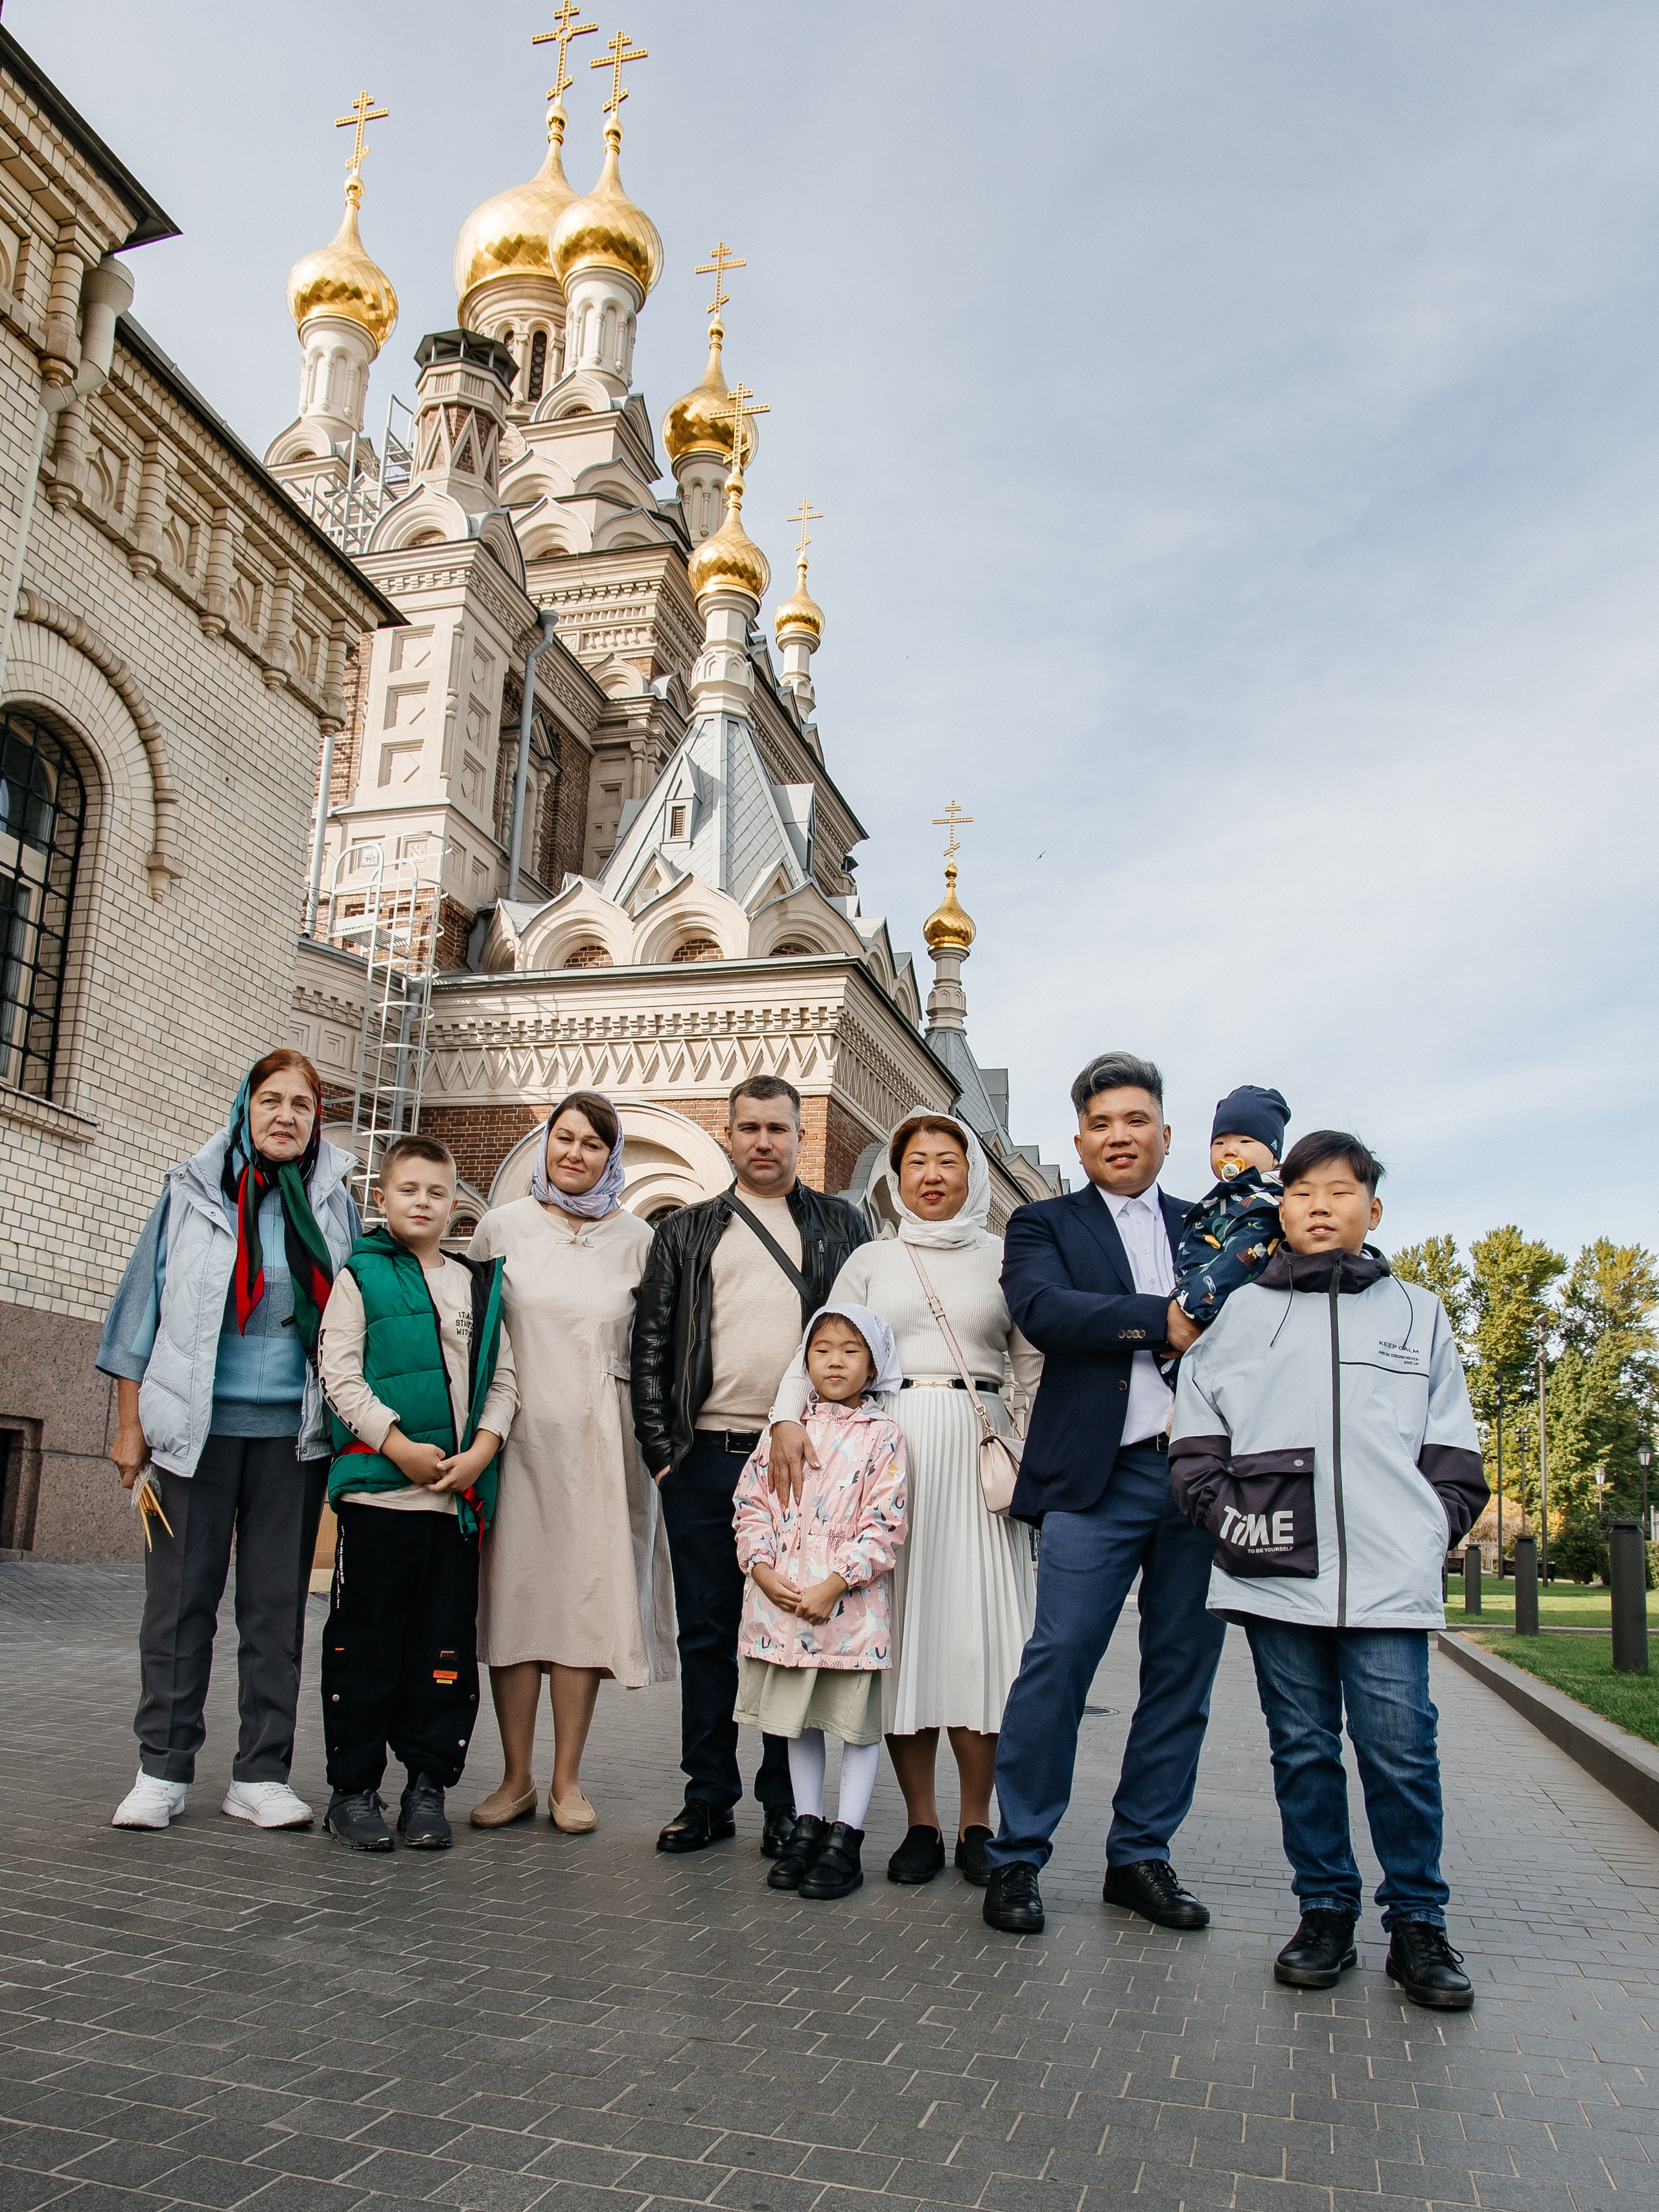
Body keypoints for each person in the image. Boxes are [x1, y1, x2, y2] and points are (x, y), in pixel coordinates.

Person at [1170, 1131, 1486, 2009]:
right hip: (1277, 1575)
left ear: (1371, 1210)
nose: (1318, 1204)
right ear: (1282, 1206)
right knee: (1303, 1752)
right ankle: (1325, 1912)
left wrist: (1431, 1531)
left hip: (1389, 1585)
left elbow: (1454, 1447)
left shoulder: (1420, 1313)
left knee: (1400, 1755)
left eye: (1339, 1191)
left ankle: (1418, 1923)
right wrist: (1230, 1521)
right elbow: (1195, 1444)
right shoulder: (1241, 1314)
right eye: (1302, 1190)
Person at [981, 1051, 1225, 1938]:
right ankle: (1017, 1856)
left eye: (1136, 1120)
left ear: (1165, 1134)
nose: (1119, 1136)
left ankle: (1140, 1856)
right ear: (1080, 1140)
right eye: (1101, 1123)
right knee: (1059, 1660)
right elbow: (1044, 1311)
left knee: (1183, 1672)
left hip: (1200, 1477)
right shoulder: (1043, 1223)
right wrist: (1161, 1318)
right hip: (1097, 1474)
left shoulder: (1213, 1223)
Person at [767, 1112, 1043, 1887]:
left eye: (946, 1160)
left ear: (970, 1172)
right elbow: (816, 1342)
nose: (930, 1173)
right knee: (902, 1638)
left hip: (980, 1448)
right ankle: (920, 1821)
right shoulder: (870, 1258)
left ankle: (976, 1821)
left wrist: (1043, 1461)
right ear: (895, 1174)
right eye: (915, 1160)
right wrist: (787, 1418)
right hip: (883, 1452)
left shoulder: (1003, 1253)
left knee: (981, 1642)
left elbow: (1030, 1367)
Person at [97, 1050, 359, 1833]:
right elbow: (137, 1312)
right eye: (271, 1101)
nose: (286, 1116)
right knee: (178, 1605)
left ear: (317, 1120)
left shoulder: (336, 1205)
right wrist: (129, 1423)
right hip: (192, 1435)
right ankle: (162, 1769)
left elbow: (352, 1318)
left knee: (277, 1608)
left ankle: (261, 1774)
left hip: (293, 1439)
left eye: (302, 1105)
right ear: (246, 1107)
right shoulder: (189, 1193)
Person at [631, 1075, 870, 1857]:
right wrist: (664, 1457)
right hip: (704, 1455)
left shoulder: (841, 1223)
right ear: (728, 1135)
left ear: (798, 1135)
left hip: (799, 1458)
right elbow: (651, 1347)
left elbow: (869, 1334)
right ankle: (707, 1796)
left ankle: (783, 1800)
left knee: (782, 1631)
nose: (762, 1140)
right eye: (748, 1127)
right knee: (706, 1633)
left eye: (777, 1127)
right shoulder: (687, 1231)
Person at [466, 1091, 675, 1836]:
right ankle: (515, 1775)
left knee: (584, 1602)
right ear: (545, 1143)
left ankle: (566, 1779)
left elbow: (657, 1347)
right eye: (564, 1138)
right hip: (515, 1439)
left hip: (600, 1444)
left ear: (611, 1156)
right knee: (517, 1599)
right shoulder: (501, 1229)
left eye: (592, 1143)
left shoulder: (638, 1238)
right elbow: (476, 1338)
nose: (575, 1153)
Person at [316, 1134, 516, 1852]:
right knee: (366, 1645)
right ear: (383, 1197)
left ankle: (427, 1785)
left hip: (455, 1507)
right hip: (380, 1499)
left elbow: (502, 1379)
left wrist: (483, 1451)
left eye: (437, 1192)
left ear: (455, 1202)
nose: (423, 1202)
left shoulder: (476, 1284)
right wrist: (396, 1444)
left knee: (441, 1649)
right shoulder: (360, 1276)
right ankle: (353, 1789)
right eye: (409, 1189)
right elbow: (339, 1375)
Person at [734, 1305, 907, 1900]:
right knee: (797, 1723)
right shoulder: (784, 1428)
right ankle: (807, 1823)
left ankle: (847, 1835)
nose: (835, 1360)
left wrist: (838, 1579)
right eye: (823, 1348)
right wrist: (759, 1566)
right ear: (805, 1360)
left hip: (849, 1612)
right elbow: (751, 1503)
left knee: (854, 1726)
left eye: (851, 1349)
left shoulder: (884, 1435)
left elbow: (885, 1521)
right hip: (782, 1606)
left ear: (875, 1363)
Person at [1163, 1085, 1292, 1369]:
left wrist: (1185, 1308)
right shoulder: (1225, 1199)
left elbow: (1238, 1261)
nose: (1230, 1151)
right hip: (1206, 1320)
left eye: (1246, 1142)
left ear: (1273, 1156)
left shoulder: (1266, 1203)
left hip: (1213, 1318)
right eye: (1220, 1143)